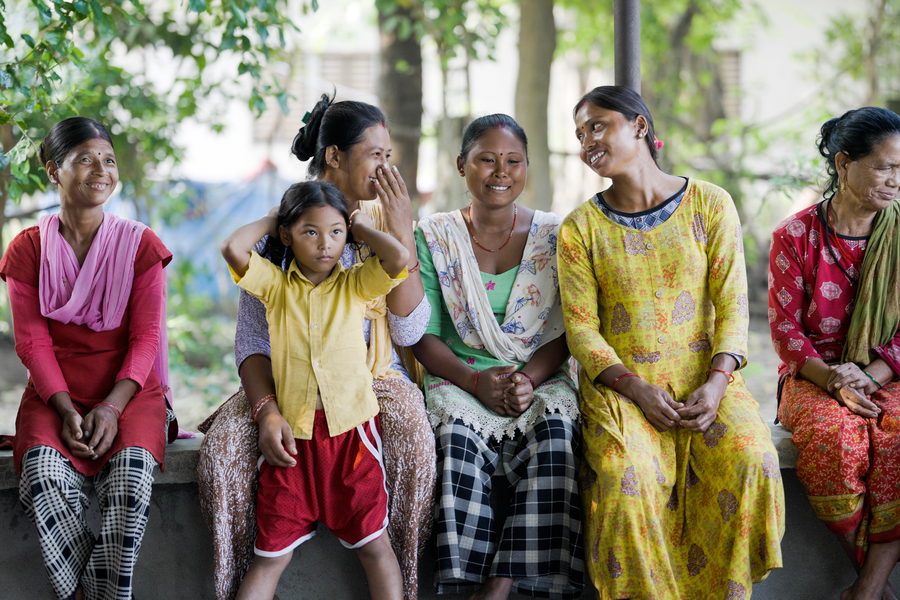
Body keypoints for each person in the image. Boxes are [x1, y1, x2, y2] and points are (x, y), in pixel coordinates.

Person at [196, 93, 436, 600]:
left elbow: (411, 331)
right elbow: (253, 344)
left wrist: (398, 226)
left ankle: (404, 588)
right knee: (220, 458)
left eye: (388, 157)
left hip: (370, 384)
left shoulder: (380, 230)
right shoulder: (278, 240)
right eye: (376, 155)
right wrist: (266, 412)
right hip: (287, 379)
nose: (385, 168)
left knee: (415, 440)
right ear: (334, 156)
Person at [557, 86, 785, 600]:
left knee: (754, 459)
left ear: (639, 126)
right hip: (624, 394)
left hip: (707, 383)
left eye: (598, 125)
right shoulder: (580, 230)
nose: (587, 140)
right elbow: (582, 330)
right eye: (579, 134)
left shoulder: (709, 203)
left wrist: (718, 382)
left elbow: (732, 305)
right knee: (622, 478)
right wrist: (636, 389)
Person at [0, 117, 174, 600]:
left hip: (130, 389)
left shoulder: (140, 245)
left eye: (109, 160)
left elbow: (147, 338)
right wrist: (65, 408)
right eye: (85, 159)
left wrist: (113, 407)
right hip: (55, 394)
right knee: (41, 474)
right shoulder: (28, 250)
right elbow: (32, 343)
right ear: (54, 171)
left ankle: (93, 593)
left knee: (131, 480)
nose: (102, 169)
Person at [412, 114, 583, 600]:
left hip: (540, 376)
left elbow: (568, 329)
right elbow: (424, 335)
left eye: (513, 161)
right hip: (458, 378)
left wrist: (527, 379)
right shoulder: (437, 237)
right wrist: (474, 382)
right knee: (455, 441)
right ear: (462, 164)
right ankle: (464, 583)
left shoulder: (556, 235)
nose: (500, 171)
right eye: (486, 159)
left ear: (528, 167)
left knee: (559, 433)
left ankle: (504, 583)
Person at [220, 180, 409, 599]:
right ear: (288, 235)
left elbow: (399, 258)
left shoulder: (355, 283)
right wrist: (272, 221)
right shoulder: (276, 286)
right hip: (293, 440)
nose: (326, 244)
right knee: (270, 554)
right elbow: (234, 249)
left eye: (335, 232)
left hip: (352, 436)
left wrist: (358, 226)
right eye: (310, 232)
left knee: (376, 547)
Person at [769, 107, 900, 600]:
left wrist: (872, 374)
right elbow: (785, 330)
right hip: (813, 378)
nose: (895, 181)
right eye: (885, 166)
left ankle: (864, 591)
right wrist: (836, 382)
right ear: (844, 164)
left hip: (889, 371)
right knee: (835, 437)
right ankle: (877, 588)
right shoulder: (795, 236)